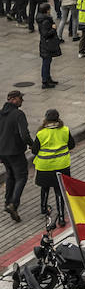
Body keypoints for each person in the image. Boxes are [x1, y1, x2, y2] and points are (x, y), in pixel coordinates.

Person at [30, 107, 74, 228]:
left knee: (44, 187)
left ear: (46, 119)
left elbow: (34, 150)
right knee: (59, 190)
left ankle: (44, 208)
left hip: (44, 166)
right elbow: (72, 145)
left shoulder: (41, 133)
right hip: (62, 165)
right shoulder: (65, 130)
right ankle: (61, 217)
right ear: (58, 118)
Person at [0, 91, 30, 222]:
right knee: (21, 176)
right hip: (15, 151)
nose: (22, 101)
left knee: (10, 175)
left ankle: (7, 202)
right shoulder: (19, 114)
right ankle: (13, 204)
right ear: (13, 99)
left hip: (3, 152)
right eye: (20, 98)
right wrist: (33, 145)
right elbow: (24, 134)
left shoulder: (0, 114)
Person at [36, 2, 61, 88]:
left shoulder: (43, 19)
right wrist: (53, 29)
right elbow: (45, 34)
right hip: (47, 45)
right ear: (47, 11)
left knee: (47, 62)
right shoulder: (45, 21)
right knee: (46, 63)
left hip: (45, 45)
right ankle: (45, 81)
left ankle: (48, 78)